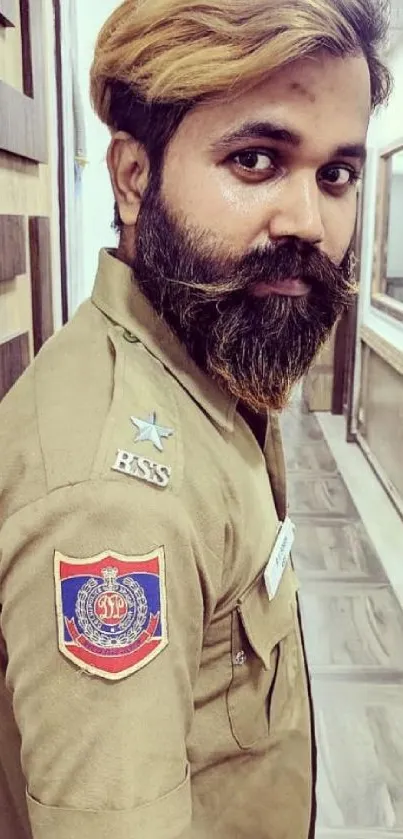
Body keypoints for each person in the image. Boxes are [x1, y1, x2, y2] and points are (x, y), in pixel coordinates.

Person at [0, 1, 392, 837]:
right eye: (255, 159)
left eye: (336, 175)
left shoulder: (211, 348)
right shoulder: (114, 502)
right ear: (133, 176)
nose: (310, 223)